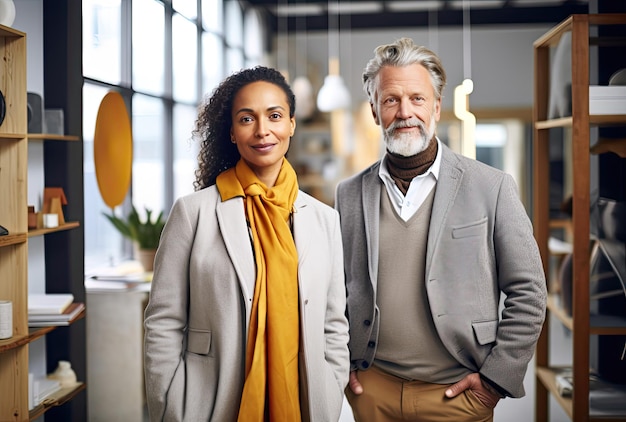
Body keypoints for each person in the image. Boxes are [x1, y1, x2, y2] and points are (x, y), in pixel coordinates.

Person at [335, 37, 547, 422]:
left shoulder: (491, 186)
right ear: (373, 110)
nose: (404, 112)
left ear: (435, 106)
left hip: (458, 393)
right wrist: (341, 362)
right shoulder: (348, 194)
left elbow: (529, 292)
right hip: (373, 391)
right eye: (390, 100)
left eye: (417, 98)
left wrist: (495, 381)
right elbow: (336, 291)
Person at [144, 66, 350, 422]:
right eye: (246, 118)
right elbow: (164, 320)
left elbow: (334, 324)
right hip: (212, 402)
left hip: (305, 403)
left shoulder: (323, 220)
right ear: (232, 132)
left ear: (291, 125)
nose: (262, 130)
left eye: (274, 116)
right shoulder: (193, 213)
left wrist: (331, 386)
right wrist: (171, 406)